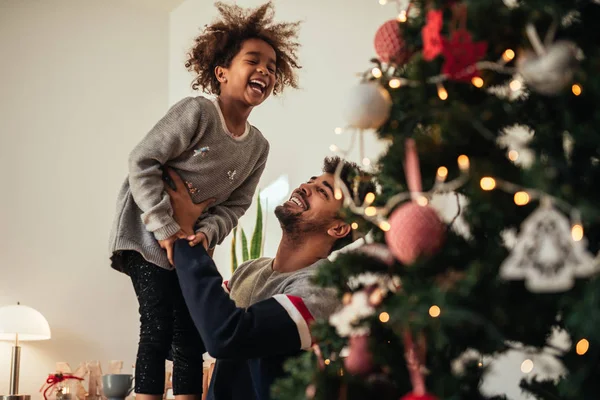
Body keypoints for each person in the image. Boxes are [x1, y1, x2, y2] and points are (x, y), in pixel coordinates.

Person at [107, 2, 301, 399]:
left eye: (271, 66)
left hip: (191, 243)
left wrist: (205, 233)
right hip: (145, 235)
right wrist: (164, 225)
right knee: (157, 325)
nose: (265, 70)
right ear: (222, 72)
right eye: (253, 60)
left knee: (192, 334)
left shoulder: (258, 147)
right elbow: (141, 162)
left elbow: (236, 206)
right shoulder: (197, 112)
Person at [165, 156, 375, 400]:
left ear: (338, 228)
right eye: (310, 181)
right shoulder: (248, 271)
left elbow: (226, 336)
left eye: (322, 192)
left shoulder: (323, 290)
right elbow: (191, 336)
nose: (304, 187)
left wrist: (185, 239)